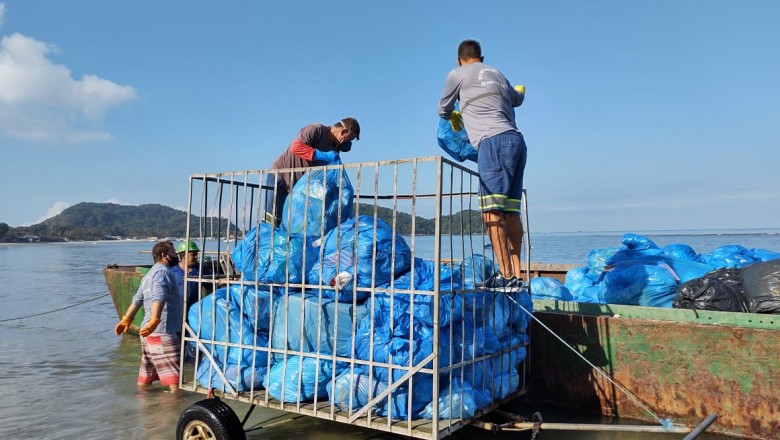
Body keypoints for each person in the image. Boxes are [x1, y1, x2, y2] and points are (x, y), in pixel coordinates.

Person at [438, 39, 527, 290]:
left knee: (491, 212)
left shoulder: (457, 73)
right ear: (482, 58)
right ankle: (516, 275)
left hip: (492, 142)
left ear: (459, 59)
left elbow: (442, 108)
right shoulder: (497, 73)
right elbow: (517, 99)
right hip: (517, 142)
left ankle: (505, 277)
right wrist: (520, 91)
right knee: (511, 212)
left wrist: (454, 115)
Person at [115, 240, 183, 392]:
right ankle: (175, 405)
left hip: (147, 333)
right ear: (164, 255)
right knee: (175, 382)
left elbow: (137, 300)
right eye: (174, 252)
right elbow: (159, 296)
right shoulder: (163, 272)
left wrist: (127, 319)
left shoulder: (149, 275)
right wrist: (155, 319)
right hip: (162, 331)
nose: (177, 255)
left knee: (146, 379)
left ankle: (144, 404)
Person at [264, 117, 360, 225]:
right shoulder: (315, 129)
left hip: (298, 188)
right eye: (348, 139)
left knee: (292, 222)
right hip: (281, 177)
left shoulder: (335, 148)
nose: (347, 144)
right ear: (343, 132)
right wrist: (322, 155)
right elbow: (296, 147)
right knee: (272, 219)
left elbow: (329, 174)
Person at [170, 240, 212, 315]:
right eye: (193, 255)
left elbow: (212, 284)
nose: (196, 257)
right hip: (177, 310)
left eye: (196, 255)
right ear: (183, 255)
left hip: (195, 311)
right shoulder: (172, 272)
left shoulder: (201, 270)